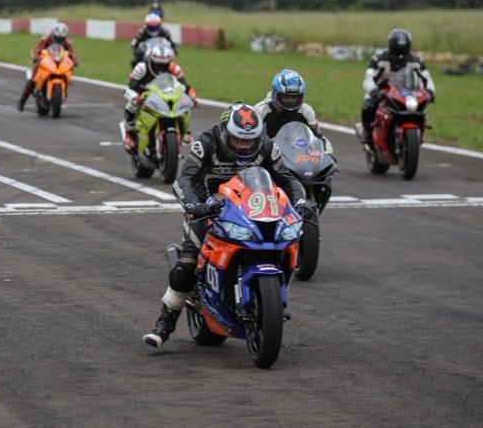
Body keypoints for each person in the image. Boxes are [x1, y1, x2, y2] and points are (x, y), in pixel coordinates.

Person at [142, 104, 315, 348]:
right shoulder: (206, 144)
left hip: (252, 210)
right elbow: (184, 180)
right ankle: (164, 325)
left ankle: (267, 299)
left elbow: (287, 178)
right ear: (225, 134)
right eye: (237, 140)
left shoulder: (267, 146)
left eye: (250, 141)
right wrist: (194, 206)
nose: (244, 146)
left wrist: (299, 201)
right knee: (185, 269)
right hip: (209, 210)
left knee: (282, 240)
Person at [358, 28, 436, 146]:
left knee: (421, 108)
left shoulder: (416, 61)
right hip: (381, 92)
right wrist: (374, 92)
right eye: (397, 52)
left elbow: (427, 78)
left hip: (407, 93)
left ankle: (418, 131)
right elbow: (368, 78)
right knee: (368, 106)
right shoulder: (379, 59)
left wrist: (430, 91)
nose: (400, 56)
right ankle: (367, 132)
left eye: (403, 52)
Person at [122, 45, 196, 152]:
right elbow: (131, 86)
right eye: (158, 65)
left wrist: (192, 96)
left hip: (167, 93)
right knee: (131, 106)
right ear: (151, 60)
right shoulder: (141, 68)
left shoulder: (174, 68)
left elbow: (185, 86)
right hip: (144, 94)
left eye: (165, 65)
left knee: (185, 105)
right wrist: (136, 97)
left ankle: (185, 131)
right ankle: (130, 133)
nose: (161, 68)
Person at [254, 69, 332, 151]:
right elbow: (251, 140)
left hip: (297, 155)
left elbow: (317, 139)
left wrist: (327, 155)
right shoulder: (260, 111)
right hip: (267, 155)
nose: (290, 102)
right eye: (286, 97)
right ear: (275, 94)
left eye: (294, 97)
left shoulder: (306, 111)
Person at [17, 22, 79, 111]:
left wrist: (75, 60)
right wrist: (35, 56)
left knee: (69, 69)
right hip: (46, 60)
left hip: (58, 61)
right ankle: (22, 100)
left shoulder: (67, 42)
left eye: (61, 38)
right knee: (32, 77)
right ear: (53, 34)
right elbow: (37, 49)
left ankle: (65, 86)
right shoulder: (45, 39)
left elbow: (72, 53)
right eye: (57, 38)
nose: (59, 40)